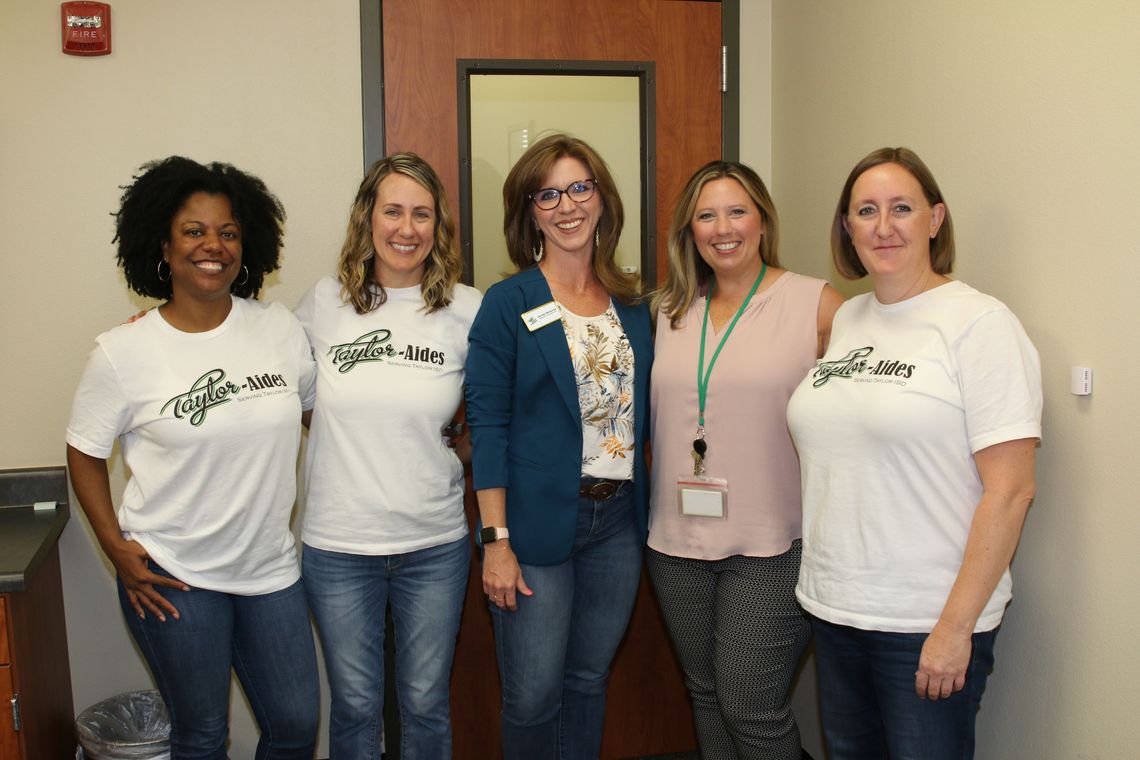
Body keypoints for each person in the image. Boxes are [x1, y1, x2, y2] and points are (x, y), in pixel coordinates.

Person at [786, 147, 1042, 760]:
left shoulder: (979, 324)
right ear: (847, 229)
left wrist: (954, 629)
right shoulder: (848, 318)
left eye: (902, 208)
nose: (884, 226)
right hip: (837, 606)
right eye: (865, 211)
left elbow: (1011, 490)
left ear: (936, 219)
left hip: (927, 620)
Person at [66, 156, 319, 758]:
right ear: (163, 244)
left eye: (228, 232)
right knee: (202, 736)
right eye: (194, 230)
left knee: (296, 726)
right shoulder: (124, 351)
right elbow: (84, 452)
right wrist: (114, 547)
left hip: (269, 570)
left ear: (247, 243)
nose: (214, 245)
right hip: (173, 574)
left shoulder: (279, 329)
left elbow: (320, 416)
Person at [464, 133, 652, 759]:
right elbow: (486, 427)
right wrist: (496, 544)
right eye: (548, 194)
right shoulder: (508, 303)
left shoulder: (634, 306)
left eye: (579, 187)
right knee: (534, 696)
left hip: (618, 523)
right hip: (535, 527)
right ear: (530, 212)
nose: (567, 205)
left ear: (601, 199)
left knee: (588, 681)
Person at [646, 160, 843, 759]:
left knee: (750, 704)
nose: (722, 227)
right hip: (675, 542)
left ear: (762, 221)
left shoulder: (817, 304)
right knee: (705, 693)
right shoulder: (669, 311)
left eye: (737, 211)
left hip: (772, 542)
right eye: (707, 215)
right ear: (690, 229)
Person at [297, 153, 481, 759]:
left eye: (422, 214)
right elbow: (275, 387)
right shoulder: (324, 303)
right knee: (354, 707)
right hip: (339, 545)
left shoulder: (465, 309)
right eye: (393, 211)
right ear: (366, 219)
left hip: (433, 544)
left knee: (426, 703)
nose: (407, 228)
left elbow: (493, 412)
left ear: (439, 225)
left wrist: (457, 448)